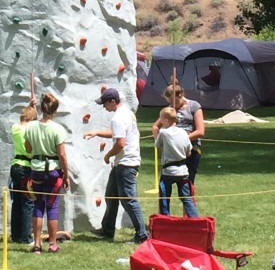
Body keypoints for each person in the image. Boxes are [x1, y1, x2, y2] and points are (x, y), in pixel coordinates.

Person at [84, 88, 148, 244]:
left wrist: (108, 155)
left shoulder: (117, 118)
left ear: (112, 101)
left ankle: (142, 235)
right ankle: (107, 229)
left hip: (126, 163)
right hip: (124, 162)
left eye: (105, 103)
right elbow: (118, 134)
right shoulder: (127, 113)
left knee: (129, 200)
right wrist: (97, 132)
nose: (104, 107)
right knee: (111, 196)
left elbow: (120, 143)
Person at [24, 92, 70, 254]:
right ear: (54, 111)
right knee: (52, 206)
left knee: (37, 205)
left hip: (36, 169)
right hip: (52, 170)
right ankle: (52, 244)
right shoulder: (57, 129)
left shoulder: (30, 127)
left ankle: (37, 244)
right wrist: (66, 174)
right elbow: (62, 155)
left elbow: (28, 149)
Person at [153, 83, 205, 184]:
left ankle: (189, 200)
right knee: (164, 183)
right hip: (172, 153)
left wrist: (182, 140)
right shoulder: (170, 109)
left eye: (174, 101)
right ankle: (164, 199)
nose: (172, 104)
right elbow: (155, 127)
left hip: (190, 150)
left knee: (188, 183)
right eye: (169, 102)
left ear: (180, 95)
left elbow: (200, 131)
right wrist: (160, 141)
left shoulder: (194, 106)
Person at [155, 106, 199, 217]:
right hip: (183, 171)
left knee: (164, 197)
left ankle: (165, 220)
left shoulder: (164, 133)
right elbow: (189, 152)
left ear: (165, 120)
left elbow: (157, 145)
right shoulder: (184, 133)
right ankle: (196, 220)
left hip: (168, 171)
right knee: (186, 198)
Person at [10, 103, 37, 243]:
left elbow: (29, 121)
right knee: (28, 202)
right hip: (26, 167)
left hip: (15, 166)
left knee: (17, 202)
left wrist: (30, 107)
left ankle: (16, 235)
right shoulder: (29, 131)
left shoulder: (15, 128)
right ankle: (27, 237)